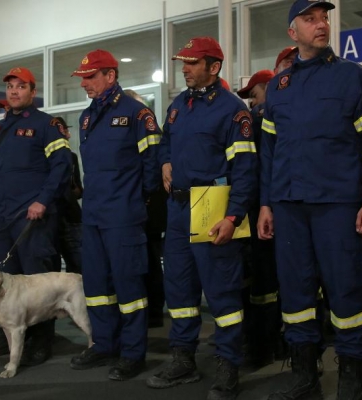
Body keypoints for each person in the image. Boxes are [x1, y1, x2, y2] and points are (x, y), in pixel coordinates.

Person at [258, 2, 362, 399]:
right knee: (296, 295)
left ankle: (351, 379)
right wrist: (266, 203)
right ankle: (305, 376)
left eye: (324, 18)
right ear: (292, 32)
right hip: (288, 207)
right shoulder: (280, 87)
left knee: (346, 291)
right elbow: (268, 152)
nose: (321, 25)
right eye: (310, 19)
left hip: (338, 205)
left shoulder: (351, 76)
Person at [148, 36, 257, 400]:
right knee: (178, 289)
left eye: (192, 63)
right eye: (184, 62)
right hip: (178, 207)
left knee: (223, 293)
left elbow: (245, 168)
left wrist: (233, 215)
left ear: (214, 67)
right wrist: (165, 160)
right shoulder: (179, 104)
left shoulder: (232, 110)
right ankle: (183, 359)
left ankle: (228, 365)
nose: (185, 68)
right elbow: (165, 141)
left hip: (214, 202)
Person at [67, 49, 161, 381]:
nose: (85, 84)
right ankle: (105, 343)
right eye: (83, 79)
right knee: (96, 286)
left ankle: (133, 353)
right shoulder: (86, 118)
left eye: (90, 77)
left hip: (123, 215)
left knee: (129, 287)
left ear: (111, 75)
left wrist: (137, 202)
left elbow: (152, 166)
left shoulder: (137, 113)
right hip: (92, 215)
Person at [0, 67, 72, 366]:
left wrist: (43, 200)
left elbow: (62, 166)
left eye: (21, 86)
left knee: (37, 283)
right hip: (2, 218)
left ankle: (42, 340)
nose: (14, 91)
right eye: (10, 87)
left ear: (32, 90)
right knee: (1, 282)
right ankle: (10, 338)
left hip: (33, 217)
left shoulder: (46, 124)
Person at [236, 69, 282, 367]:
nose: (252, 103)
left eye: (254, 95)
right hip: (279, 206)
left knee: (260, 284)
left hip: (257, 209)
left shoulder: (258, 119)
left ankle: (261, 346)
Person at [125, 88, 167, 329]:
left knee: (149, 262)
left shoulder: (145, 126)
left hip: (148, 208)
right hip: (143, 205)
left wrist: (145, 197)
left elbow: (151, 168)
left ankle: (153, 312)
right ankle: (151, 311)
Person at [46, 117, 83, 275]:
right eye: (63, 132)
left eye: (66, 131)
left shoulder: (72, 157)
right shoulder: (40, 157)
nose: (67, 135)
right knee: (51, 267)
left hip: (71, 217)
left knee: (78, 265)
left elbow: (78, 189)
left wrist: (74, 190)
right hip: (48, 216)